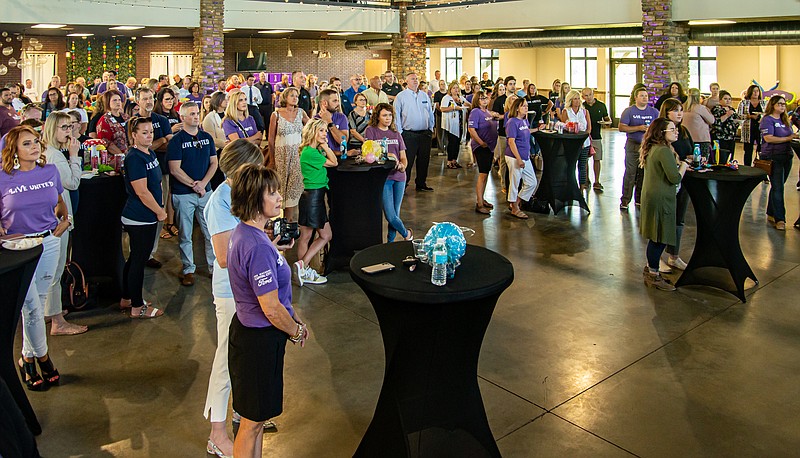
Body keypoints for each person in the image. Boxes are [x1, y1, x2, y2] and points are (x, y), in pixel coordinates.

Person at [226, 163, 309, 458]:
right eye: (271, 193)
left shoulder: (248, 235)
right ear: (253, 199)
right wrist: (296, 330)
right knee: (250, 423)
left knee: (257, 421)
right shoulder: (257, 246)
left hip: (252, 336)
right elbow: (271, 308)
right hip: (258, 341)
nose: (278, 198)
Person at [202, 139, 266, 458]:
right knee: (225, 362)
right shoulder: (219, 202)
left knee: (244, 359)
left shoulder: (243, 194)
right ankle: (217, 432)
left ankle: (243, 414)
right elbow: (225, 256)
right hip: (231, 292)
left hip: (251, 289)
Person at [1, 125, 71, 390]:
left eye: (36, 142)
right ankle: (43, 358)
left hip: (48, 242)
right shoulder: (3, 178)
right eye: (27, 143)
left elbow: (61, 204)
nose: (35, 147)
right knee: (30, 306)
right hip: (17, 249)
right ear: (14, 150)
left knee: (38, 303)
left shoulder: (49, 171)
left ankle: (26, 358)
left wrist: (63, 223)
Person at [39, 113, 89, 336]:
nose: (68, 131)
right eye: (63, 127)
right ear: (52, 129)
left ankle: (51, 311)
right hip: (58, 219)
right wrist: (74, 156)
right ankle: (57, 321)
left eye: (70, 126)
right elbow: (73, 182)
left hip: (50, 218)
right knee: (56, 269)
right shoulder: (57, 157)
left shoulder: (48, 153)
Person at [119, 117, 166, 318]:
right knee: (139, 261)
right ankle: (138, 307)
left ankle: (127, 297)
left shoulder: (149, 152)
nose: (149, 136)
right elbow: (142, 192)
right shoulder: (135, 158)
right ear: (134, 135)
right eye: (144, 132)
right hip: (140, 216)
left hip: (147, 215)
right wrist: (160, 211)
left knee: (134, 259)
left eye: (151, 132)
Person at [168, 102, 218, 286]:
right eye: (191, 114)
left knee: (210, 231)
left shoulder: (207, 137)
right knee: (185, 233)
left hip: (205, 191)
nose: (196, 117)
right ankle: (188, 268)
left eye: (197, 113)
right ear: (182, 118)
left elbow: (214, 163)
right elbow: (174, 169)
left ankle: (214, 266)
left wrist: (203, 184)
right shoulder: (176, 141)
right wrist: (193, 185)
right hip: (183, 194)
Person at [639, 118, 689, 291]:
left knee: (656, 236)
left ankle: (652, 270)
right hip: (661, 198)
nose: (676, 132)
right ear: (661, 132)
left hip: (653, 196)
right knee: (659, 238)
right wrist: (684, 165)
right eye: (672, 129)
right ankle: (653, 273)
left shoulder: (655, 148)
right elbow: (674, 177)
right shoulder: (663, 151)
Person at [293, 119, 338, 286]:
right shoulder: (310, 152)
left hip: (312, 196)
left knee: (314, 235)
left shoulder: (311, 151)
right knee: (318, 236)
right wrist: (326, 146)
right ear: (312, 132)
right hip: (312, 197)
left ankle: (302, 267)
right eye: (321, 131)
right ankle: (302, 267)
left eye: (325, 131)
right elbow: (334, 162)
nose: (324, 134)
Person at [132, 87, 175, 246]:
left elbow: (170, 144)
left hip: (161, 169)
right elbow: (135, 148)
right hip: (140, 173)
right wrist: (160, 140)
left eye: (151, 98)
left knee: (160, 207)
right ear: (138, 102)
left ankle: (152, 249)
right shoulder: (133, 122)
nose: (149, 101)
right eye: (145, 99)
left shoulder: (161, 120)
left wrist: (150, 145)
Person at [364, 103, 412, 241]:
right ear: (377, 116)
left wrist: (403, 165)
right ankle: (407, 234)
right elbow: (370, 155)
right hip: (383, 178)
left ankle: (390, 242)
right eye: (384, 115)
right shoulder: (371, 131)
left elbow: (403, 157)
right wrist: (390, 158)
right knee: (390, 216)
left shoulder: (396, 134)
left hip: (399, 177)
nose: (388, 118)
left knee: (395, 213)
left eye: (390, 115)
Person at [658, 99, 693, 273]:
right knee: (664, 220)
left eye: (681, 110)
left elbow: (691, 150)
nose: (679, 113)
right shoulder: (660, 134)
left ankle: (674, 255)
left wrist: (690, 161)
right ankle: (655, 259)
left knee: (679, 219)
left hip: (683, 179)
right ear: (666, 113)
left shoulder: (684, 131)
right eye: (675, 110)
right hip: (667, 183)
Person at [267, 87, 308, 223]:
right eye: (292, 95)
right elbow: (271, 139)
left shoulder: (301, 113)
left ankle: (291, 222)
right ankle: (284, 221)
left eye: (296, 95)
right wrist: (272, 159)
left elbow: (311, 127)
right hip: (281, 156)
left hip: (297, 155)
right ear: (285, 97)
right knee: (282, 189)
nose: (295, 98)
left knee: (294, 189)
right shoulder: (276, 114)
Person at [760, 95, 799, 231]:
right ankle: (780, 219)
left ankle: (771, 211)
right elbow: (768, 138)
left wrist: (793, 137)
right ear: (773, 105)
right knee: (778, 188)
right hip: (773, 156)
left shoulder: (785, 120)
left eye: (784, 104)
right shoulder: (767, 120)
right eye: (779, 104)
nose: (782, 106)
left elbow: (791, 135)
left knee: (779, 185)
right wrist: (788, 138)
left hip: (786, 156)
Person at [619, 87, 659, 210]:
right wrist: (638, 128)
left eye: (646, 96)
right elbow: (621, 127)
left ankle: (640, 199)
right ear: (636, 98)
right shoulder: (629, 111)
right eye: (642, 96)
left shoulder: (654, 112)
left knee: (644, 173)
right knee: (631, 173)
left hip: (648, 145)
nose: (644, 98)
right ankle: (625, 200)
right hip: (633, 144)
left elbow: (659, 127)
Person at [394, 73, 435, 192]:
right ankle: (403, 185)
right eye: (412, 79)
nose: (415, 81)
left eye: (416, 79)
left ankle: (421, 183)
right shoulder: (401, 96)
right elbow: (396, 115)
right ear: (406, 81)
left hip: (425, 134)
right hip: (409, 134)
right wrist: (400, 132)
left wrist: (431, 128)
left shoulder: (424, 95)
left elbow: (430, 112)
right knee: (408, 160)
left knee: (424, 160)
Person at [505, 97, 537, 219]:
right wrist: (518, 159)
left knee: (531, 182)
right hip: (514, 157)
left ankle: (516, 202)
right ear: (517, 108)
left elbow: (527, 131)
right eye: (523, 106)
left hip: (525, 156)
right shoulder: (512, 122)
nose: (526, 108)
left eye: (527, 106)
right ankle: (514, 208)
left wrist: (538, 129)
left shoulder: (524, 121)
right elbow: (511, 142)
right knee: (515, 182)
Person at [468, 90, 499, 214]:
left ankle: (482, 198)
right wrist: (481, 142)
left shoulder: (486, 112)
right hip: (482, 147)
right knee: (482, 174)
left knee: (486, 174)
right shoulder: (475, 112)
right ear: (477, 100)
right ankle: (479, 204)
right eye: (482, 98)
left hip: (489, 147)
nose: (485, 100)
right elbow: (471, 129)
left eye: (486, 98)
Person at [559, 89, 592, 189]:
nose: (577, 101)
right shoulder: (566, 111)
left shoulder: (585, 112)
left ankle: (582, 187)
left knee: (582, 166)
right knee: (571, 165)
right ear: (570, 100)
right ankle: (570, 186)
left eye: (578, 99)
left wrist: (583, 138)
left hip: (584, 143)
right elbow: (565, 127)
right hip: (571, 143)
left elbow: (589, 128)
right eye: (575, 99)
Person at [581, 88, 610, 191]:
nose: (588, 97)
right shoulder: (582, 107)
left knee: (597, 159)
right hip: (585, 136)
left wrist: (606, 123)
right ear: (583, 97)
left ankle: (597, 181)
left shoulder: (601, 106)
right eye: (585, 96)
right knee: (584, 159)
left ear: (593, 94)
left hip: (596, 135)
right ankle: (586, 179)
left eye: (589, 95)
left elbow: (607, 119)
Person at [440, 81, 468, 169]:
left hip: (459, 123)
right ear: (450, 89)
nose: (456, 90)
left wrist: (462, 103)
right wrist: (454, 108)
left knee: (457, 142)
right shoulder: (447, 98)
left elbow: (469, 105)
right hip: (451, 123)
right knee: (452, 142)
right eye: (454, 88)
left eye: (457, 88)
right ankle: (449, 161)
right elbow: (442, 108)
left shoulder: (460, 98)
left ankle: (454, 160)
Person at [682, 88, 715, 162]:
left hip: (686, 138)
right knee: (702, 161)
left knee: (689, 161)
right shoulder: (700, 108)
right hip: (701, 139)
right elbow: (712, 120)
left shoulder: (683, 107)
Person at [737, 84, 765, 166]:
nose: (755, 93)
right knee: (748, 150)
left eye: (757, 91)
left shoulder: (764, 103)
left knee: (761, 150)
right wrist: (749, 116)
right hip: (748, 129)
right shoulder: (743, 103)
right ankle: (747, 167)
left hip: (760, 129)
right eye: (753, 91)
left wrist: (761, 117)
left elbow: (767, 114)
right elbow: (738, 115)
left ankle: (761, 167)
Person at [95, 90, 129, 155]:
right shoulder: (104, 120)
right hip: (114, 157)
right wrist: (122, 155)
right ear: (108, 102)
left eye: (119, 100)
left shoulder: (126, 117)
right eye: (114, 100)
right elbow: (106, 142)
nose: (118, 102)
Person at [711, 90, 739, 164]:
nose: (728, 101)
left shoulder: (732, 109)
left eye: (729, 99)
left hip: (731, 137)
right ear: (720, 100)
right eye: (725, 99)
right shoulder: (717, 109)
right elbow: (716, 122)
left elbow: (735, 120)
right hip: (721, 137)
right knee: (721, 156)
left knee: (730, 156)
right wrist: (727, 115)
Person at [432, 79, 448, 154]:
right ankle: (440, 148)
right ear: (439, 85)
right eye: (441, 84)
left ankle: (446, 148)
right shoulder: (437, 94)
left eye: (444, 84)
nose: (443, 85)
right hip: (439, 115)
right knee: (440, 132)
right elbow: (437, 105)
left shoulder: (448, 93)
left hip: (448, 115)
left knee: (447, 132)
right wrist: (442, 110)